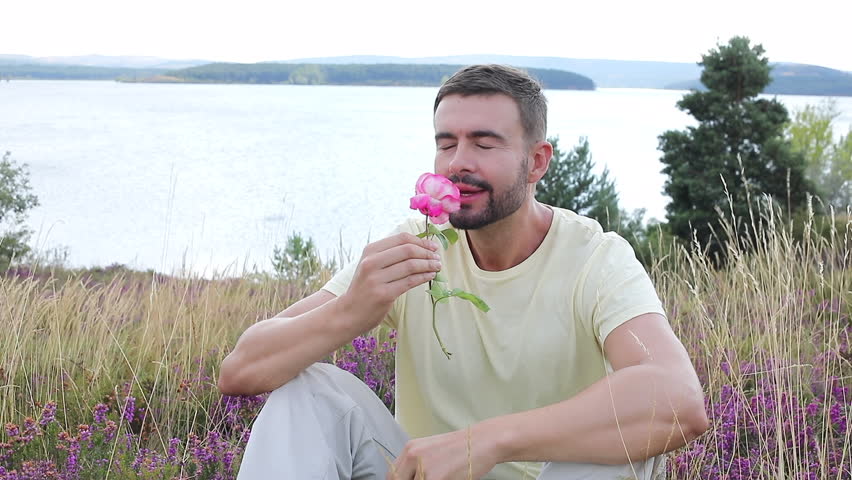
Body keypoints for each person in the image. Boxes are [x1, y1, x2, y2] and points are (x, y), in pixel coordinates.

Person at [218, 64, 709, 480]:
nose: (458, 163)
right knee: (309, 392)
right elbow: (241, 370)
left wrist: (487, 442)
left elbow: (679, 399)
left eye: (484, 143)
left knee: (619, 449)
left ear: (536, 162)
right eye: (446, 143)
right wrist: (352, 309)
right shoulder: (417, 242)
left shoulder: (595, 259)